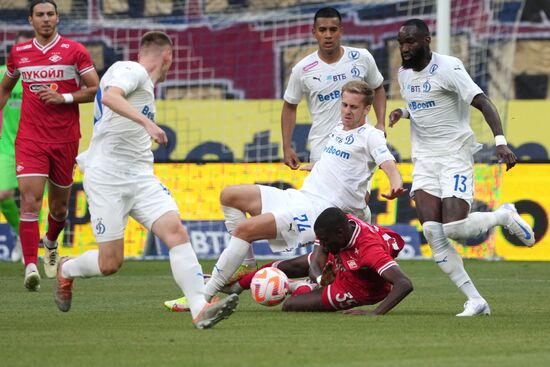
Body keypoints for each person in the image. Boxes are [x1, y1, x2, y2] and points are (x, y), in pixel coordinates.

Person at [54, 31, 238, 329]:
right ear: (168, 56)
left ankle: (199, 308)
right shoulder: (131, 69)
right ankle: (68, 268)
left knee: (176, 232)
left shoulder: (146, 87)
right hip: (107, 177)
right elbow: (112, 95)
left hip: (140, 176)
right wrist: (147, 122)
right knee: (109, 263)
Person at [197, 80, 405, 303]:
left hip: (320, 210)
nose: (347, 111)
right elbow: (345, 165)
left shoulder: (371, 135)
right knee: (230, 195)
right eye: (344, 105)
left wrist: (396, 183)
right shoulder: (338, 128)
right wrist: (318, 166)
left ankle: (203, 297)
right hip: (300, 197)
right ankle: (246, 268)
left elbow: (388, 163)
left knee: (246, 229)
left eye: (353, 107)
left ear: (366, 109)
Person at [388, 19, 535, 316]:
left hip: (454, 154)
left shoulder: (449, 67)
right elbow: (422, 107)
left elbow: (483, 102)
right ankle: (475, 299)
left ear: (427, 41)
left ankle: (504, 216)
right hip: (424, 160)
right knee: (431, 231)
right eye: (402, 43)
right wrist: (403, 112)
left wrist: (501, 142)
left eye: (411, 42)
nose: (405, 48)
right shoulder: (404, 75)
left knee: (455, 228)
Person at [232, 7, 388, 282]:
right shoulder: (303, 68)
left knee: (357, 203)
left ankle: (361, 258)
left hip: (358, 147)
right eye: (322, 30)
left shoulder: (361, 58)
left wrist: (380, 124)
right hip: (323, 147)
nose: (328, 35)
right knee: (326, 216)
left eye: (333, 29)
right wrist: (287, 146)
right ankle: (324, 271)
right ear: (313, 32)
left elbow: (378, 87)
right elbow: (289, 106)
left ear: (341, 31)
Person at [0, 0, 100, 291]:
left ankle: (51, 242)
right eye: (40, 15)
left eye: (51, 14)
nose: (46, 19)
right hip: (30, 139)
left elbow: (95, 88)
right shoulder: (19, 53)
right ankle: (30, 265)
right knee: (29, 202)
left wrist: (65, 98)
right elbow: (5, 88)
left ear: (57, 18)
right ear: (31, 20)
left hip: (65, 139)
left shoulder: (74, 51)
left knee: (58, 210)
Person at [281, 207, 413, 314]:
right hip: (341, 259)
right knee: (278, 268)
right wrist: (321, 279)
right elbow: (315, 265)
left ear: (340, 233)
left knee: (290, 305)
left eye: (325, 240)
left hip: (358, 289)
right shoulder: (339, 226)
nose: (323, 245)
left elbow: (404, 283)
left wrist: (375, 313)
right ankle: (308, 284)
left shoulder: (369, 250)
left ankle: (304, 286)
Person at [0, 30, 34, 262]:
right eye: (19, 49)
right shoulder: (3, 74)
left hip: (35, 144)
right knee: (2, 195)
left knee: (34, 197)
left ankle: (33, 243)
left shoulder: (43, 76)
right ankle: (21, 234)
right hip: (7, 146)